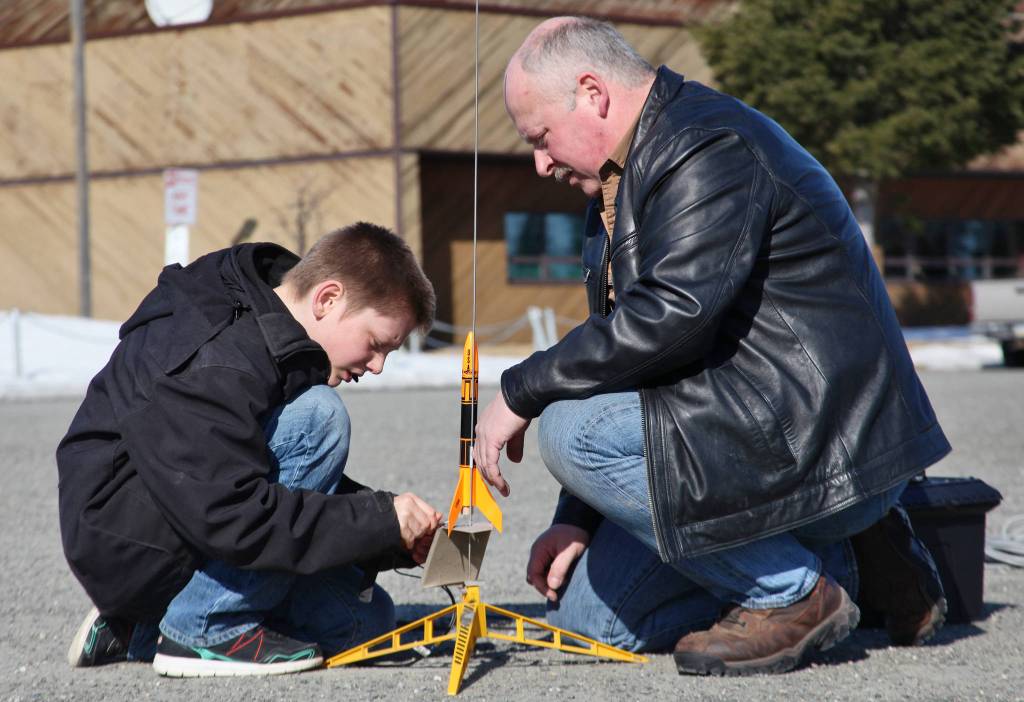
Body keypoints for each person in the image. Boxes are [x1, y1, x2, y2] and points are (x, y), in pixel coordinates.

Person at [474, 17, 951, 676]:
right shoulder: (614, 188)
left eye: (541, 137)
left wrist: (519, 389)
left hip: (822, 445)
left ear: (592, 93)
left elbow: (673, 319)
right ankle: (852, 566)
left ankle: (792, 593)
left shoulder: (707, 147)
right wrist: (579, 516)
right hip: (747, 440)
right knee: (590, 623)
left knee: (564, 430)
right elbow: (625, 368)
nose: (539, 162)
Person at [58, 223, 442, 677]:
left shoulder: (270, 332)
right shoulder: (216, 351)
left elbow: (251, 472)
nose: (377, 366)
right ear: (327, 299)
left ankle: (138, 629)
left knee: (365, 618)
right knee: (320, 416)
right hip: (135, 545)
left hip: (190, 519)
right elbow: (230, 511)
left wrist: (385, 536)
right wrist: (376, 519)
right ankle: (205, 629)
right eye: (377, 344)